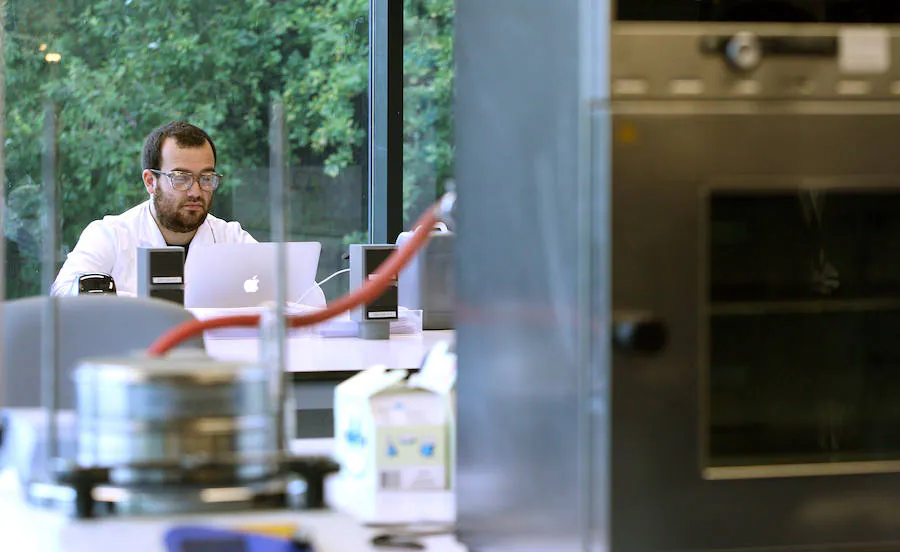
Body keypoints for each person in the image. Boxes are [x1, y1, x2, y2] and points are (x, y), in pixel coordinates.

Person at [51, 121, 257, 296]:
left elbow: (283, 295)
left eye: (206, 178)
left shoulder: (232, 239)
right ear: (150, 181)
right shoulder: (110, 235)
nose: (195, 191)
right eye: (180, 178)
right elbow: (62, 294)